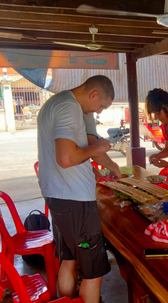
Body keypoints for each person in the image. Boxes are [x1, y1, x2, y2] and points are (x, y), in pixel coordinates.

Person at [37, 75, 114, 302]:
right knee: (93, 271)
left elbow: (72, 151)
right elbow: (67, 158)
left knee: (69, 259)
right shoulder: (69, 108)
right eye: (101, 105)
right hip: (74, 200)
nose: (99, 111)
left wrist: (104, 165)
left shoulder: (57, 103)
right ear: (94, 95)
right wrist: (99, 147)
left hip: (61, 197)